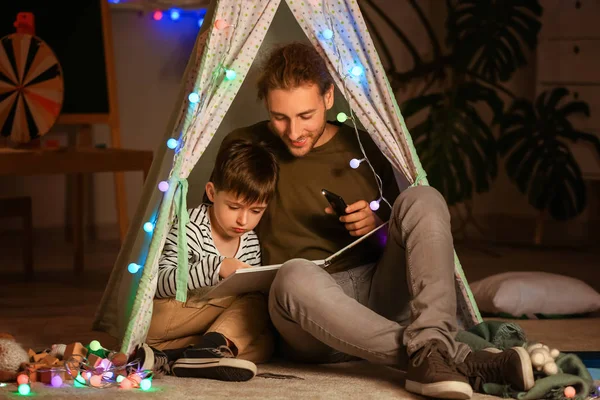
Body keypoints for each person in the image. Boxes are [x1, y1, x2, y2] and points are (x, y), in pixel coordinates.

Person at [218, 42, 535, 399]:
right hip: (306, 312)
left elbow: (403, 244)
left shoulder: (365, 147)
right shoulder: (245, 147)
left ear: (328, 98)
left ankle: (431, 349)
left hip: (376, 293)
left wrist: (375, 228)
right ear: (267, 106)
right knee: (294, 273)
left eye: (305, 116)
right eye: (280, 117)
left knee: (424, 197)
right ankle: (457, 357)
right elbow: (215, 226)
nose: (293, 132)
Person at [134, 138, 279, 382]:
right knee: (254, 302)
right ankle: (206, 350)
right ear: (212, 193)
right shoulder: (189, 226)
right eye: (234, 207)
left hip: (201, 327)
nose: (244, 220)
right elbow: (159, 284)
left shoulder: (250, 241)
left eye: (255, 211)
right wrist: (218, 267)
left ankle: (180, 355)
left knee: (267, 344)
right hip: (167, 318)